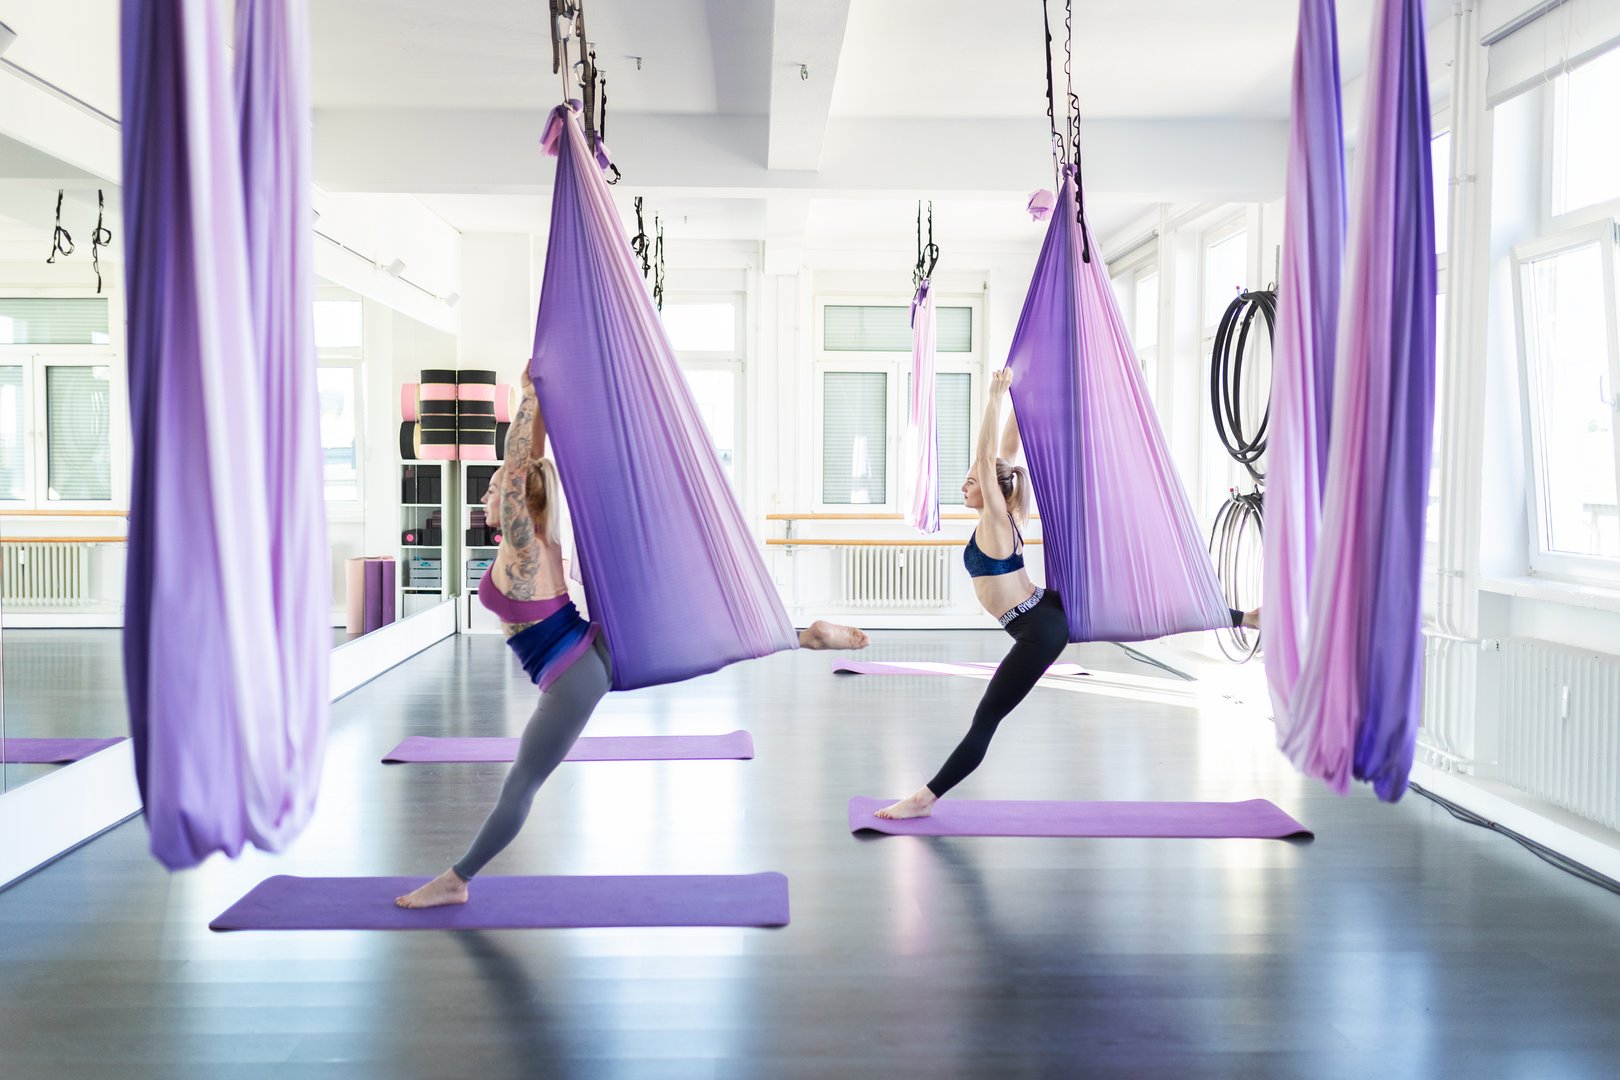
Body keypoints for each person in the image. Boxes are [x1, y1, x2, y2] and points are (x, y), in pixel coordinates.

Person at [398, 369, 867, 908]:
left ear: (514, 497)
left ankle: (457, 880)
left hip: (576, 673)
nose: (486, 494)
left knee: (521, 784)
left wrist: (530, 398)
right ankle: (798, 637)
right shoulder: (536, 538)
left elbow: (519, 463)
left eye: (493, 487)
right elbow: (524, 467)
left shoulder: (523, 542)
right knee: (695, 645)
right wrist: (539, 396)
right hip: (585, 657)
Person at [876, 369, 1256, 820]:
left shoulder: (998, 520)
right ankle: (1242, 617)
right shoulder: (1009, 513)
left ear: (991, 488)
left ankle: (925, 798)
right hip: (1044, 611)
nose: (964, 485)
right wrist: (1020, 390)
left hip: (1038, 629)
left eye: (971, 482)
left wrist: (995, 398)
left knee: (987, 717)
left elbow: (986, 457)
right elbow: (1004, 453)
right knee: (1138, 615)